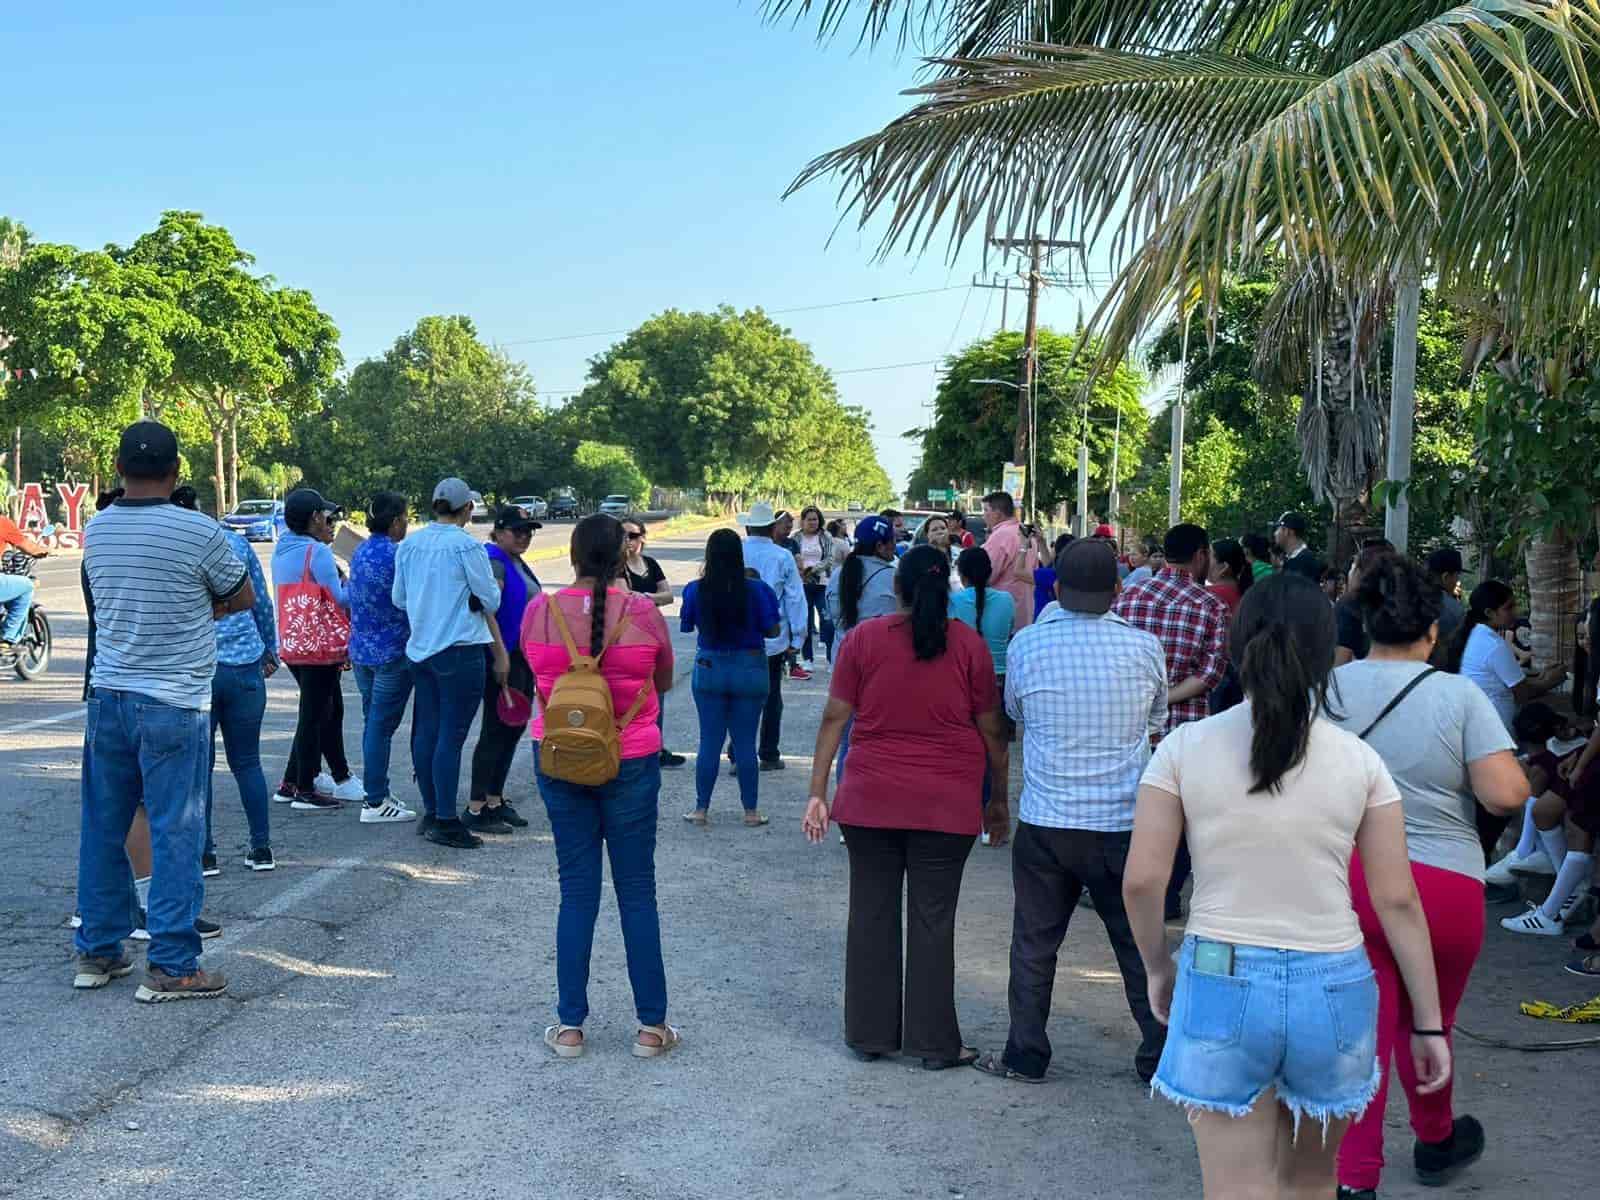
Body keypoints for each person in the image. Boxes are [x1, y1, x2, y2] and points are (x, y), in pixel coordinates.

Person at [1123, 573, 1451, 1200]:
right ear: (1328, 651)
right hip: (1333, 985)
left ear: (1239, 643)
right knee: (1311, 1183)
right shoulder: (1360, 762)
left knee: (1236, 1187)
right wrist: (1429, 1024)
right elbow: (1396, 899)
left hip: (1219, 971)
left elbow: (1143, 880)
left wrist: (1157, 966)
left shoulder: (1182, 749)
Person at [1328, 555, 1527, 1197]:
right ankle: (1435, 1139)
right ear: (1434, 631)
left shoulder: (1327, 692)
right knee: (1428, 1021)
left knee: (1363, 1034)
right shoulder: (1458, 696)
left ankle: (1354, 1180)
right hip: (1444, 886)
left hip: (1351, 881)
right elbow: (1504, 796)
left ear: (1361, 620)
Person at [802, 547, 1011, 1067]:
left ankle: (870, 1035)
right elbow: (992, 733)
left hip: (870, 800)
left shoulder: (863, 641)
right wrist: (999, 800)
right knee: (933, 921)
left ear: (896, 589)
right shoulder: (970, 646)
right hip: (947, 803)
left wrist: (818, 792)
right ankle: (934, 1043)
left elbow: (834, 719)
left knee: (870, 915)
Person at [973, 540, 1170, 1085]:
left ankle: (1026, 1054)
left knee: (1034, 944)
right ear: (1118, 591)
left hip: (1048, 822)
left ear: (1055, 590)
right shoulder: (1145, 647)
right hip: (1121, 825)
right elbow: (1157, 718)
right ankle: (1159, 1055)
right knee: (1136, 945)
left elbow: (1014, 712)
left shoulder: (1027, 646)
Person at [76, 420, 254, 1001]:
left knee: (105, 825)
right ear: (177, 472)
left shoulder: (96, 530)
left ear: (119, 469)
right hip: (175, 701)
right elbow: (242, 595)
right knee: (178, 830)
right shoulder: (199, 532)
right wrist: (200, 610)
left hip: (109, 697)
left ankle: (99, 951)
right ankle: (174, 964)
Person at [522, 514, 677, 1059]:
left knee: (576, 890)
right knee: (637, 890)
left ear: (572, 555)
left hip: (560, 757)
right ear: (621, 558)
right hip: (631, 758)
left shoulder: (539, 611)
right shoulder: (641, 613)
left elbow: (535, 676)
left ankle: (569, 1027)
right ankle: (651, 1028)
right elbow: (662, 680)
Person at [1114, 523, 1230, 919]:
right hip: (1185, 730)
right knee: (1179, 816)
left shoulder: (1130, 595)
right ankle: (1166, 895)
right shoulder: (1211, 606)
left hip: (1130, 725)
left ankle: (1126, 888)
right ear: (1201, 555)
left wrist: (1146, 698)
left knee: (1133, 808)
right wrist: (1166, 697)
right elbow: (1210, 674)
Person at [392, 478, 508, 848]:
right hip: (459, 647)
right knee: (451, 737)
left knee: (425, 732)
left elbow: (399, 599)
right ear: (467, 508)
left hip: (421, 648)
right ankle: (446, 818)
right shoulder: (465, 546)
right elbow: (491, 600)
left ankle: (431, 810)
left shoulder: (410, 544)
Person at [680, 528, 781, 825]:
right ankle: (751, 811)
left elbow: (687, 626)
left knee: (709, 741)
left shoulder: (696, 589)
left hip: (710, 666)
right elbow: (773, 630)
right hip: (749, 666)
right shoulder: (758, 589)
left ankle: (701, 809)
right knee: (745, 743)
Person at [201, 492, 279, 874]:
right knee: (247, 762)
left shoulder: (179, 547)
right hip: (246, 664)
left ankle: (206, 853)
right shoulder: (236, 543)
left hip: (199, 669)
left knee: (201, 766)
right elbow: (261, 602)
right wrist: (270, 650)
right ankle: (261, 848)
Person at [272, 488, 359, 810]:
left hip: (294, 641)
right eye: (327, 516)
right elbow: (340, 599)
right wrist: (355, 580)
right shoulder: (318, 553)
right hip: (319, 645)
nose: (332, 522)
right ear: (314, 518)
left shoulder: (283, 547)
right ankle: (305, 790)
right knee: (314, 715)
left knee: (323, 709)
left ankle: (290, 781)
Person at [466, 506, 544, 828]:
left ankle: (495, 799)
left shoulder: (514, 560)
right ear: (498, 531)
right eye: (517, 530)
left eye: (528, 531)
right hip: (505, 657)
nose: (524, 536)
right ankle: (476, 807)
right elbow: (487, 608)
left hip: (522, 657)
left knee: (513, 727)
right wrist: (500, 655)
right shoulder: (495, 560)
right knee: (496, 730)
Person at [346, 491, 419, 824]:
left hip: (362, 652)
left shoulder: (360, 551)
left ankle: (377, 791)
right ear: (394, 522)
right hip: (391, 652)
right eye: (405, 518)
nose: (406, 524)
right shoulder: (398, 555)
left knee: (371, 722)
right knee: (381, 727)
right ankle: (374, 801)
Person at [736, 502, 808, 768]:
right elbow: (795, 599)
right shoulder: (782, 556)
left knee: (741, 696)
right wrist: (797, 638)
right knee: (771, 696)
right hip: (772, 638)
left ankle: (739, 752)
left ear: (747, 526)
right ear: (771, 528)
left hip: (737, 637)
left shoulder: (736, 552)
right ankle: (768, 753)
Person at [1446, 579, 1565, 733]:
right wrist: (1550, 681)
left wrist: (1541, 678)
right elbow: (1522, 694)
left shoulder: (1479, 635)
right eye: (1509, 608)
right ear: (1489, 612)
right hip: (1495, 730)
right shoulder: (1493, 645)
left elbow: (1502, 681)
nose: (1515, 612)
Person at [618, 516, 685, 766]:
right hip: (627, 637)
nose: (629, 541)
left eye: (633, 536)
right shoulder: (617, 568)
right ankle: (635, 747)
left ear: (643, 538)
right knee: (634, 694)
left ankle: (656, 746)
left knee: (658, 691)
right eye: (623, 536)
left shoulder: (650, 564)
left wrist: (645, 597)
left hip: (653, 633)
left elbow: (668, 595)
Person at [949, 547, 1015, 689]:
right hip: (1002, 680)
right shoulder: (1007, 599)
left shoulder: (952, 601)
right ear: (989, 572)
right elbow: (1008, 633)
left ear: (961, 574)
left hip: (966, 679)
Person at [980, 491, 1036, 633]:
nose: (983, 515)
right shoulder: (1025, 532)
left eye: (986, 510)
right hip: (1026, 609)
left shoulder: (1001, 536)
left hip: (1003, 612)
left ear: (997, 513)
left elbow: (986, 575)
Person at [0, 510, 49, 651]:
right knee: (27, 586)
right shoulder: (2, 522)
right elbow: (30, 548)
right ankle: (7, 638)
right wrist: (46, 550)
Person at [1335, 545, 1392, 665]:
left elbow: (1340, 660)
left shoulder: (1348, 605)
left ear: (1361, 573)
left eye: (1353, 566)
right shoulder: (1400, 604)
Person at [795, 506, 837, 667]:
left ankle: (830, 658)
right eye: (809, 519)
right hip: (802, 584)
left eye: (815, 519)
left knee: (827, 620)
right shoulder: (796, 537)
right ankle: (807, 659)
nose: (813, 522)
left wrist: (812, 570)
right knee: (805, 621)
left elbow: (830, 559)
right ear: (803, 521)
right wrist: (801, 572)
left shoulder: (826, 536)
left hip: (822, 583)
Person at [1425, 547, 1467, 652]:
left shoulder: (1405, 598)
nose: (1458, 581)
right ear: (1446, 577)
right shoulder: (1454, 610)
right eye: (1457, 576)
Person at [1274, 511, 1325, 582]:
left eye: (1277, 529)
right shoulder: (1291, 559)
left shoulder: (1305, 561)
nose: (1275, 533)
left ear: (1287, 531)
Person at [1207, 538, 1253, 616]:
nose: (1204, 560)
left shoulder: (1208, 595)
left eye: (1208, 556)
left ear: (1224, 567)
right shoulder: (1248, 592)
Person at [1031, 532, 1071, 619]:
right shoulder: (1066, 573)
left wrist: (1023, 547)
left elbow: (1018, 571)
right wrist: (1041, 542)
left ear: (1057, 551)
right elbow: (1047, 563)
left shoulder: (1047, 574)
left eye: (1053, 545)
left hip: (1042, 619)